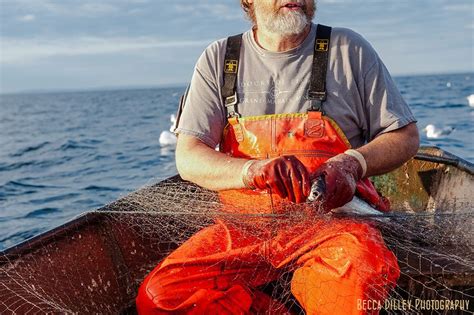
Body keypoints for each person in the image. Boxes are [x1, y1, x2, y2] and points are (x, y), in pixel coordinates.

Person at [137, 0, 420, 314]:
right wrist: (253, 171)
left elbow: (404, 137)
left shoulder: (348, 49)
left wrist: (352, 163)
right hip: (243, 227)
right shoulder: (219, 58)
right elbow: (189, 157)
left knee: (355, 277)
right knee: (160, 296)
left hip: (333, 226)